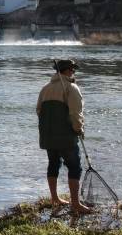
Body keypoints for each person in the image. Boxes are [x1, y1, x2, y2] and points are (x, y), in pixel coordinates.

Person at [36, 59, 92, 215]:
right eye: (73, 70)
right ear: (67, 71)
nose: (74, 73)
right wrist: (79, 129)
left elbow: (39, 111)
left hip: (48, 136)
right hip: (66, 136)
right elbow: (75, 114)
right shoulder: (71, 88)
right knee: (75, 167)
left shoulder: (45, 88)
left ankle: (55, 198)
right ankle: (75, 204)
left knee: (53, 164)